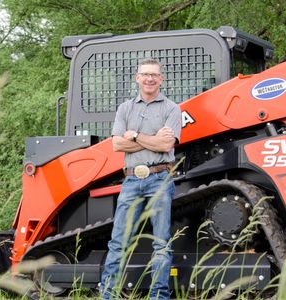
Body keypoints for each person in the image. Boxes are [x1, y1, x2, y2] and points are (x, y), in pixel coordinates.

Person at [100, 58, 181, 300]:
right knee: (118, 242)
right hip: (131, 180)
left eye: (154, 75)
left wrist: (134, 135)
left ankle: (159, 296)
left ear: (161, 79)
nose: (149, 78)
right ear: (137, 78)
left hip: (160, 178)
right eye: (145, 74)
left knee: (161, 243)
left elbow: (167, 143)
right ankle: (109, 295)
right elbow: (116, 144)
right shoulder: (125, 108)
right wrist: (152, 139)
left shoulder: (171, 109)